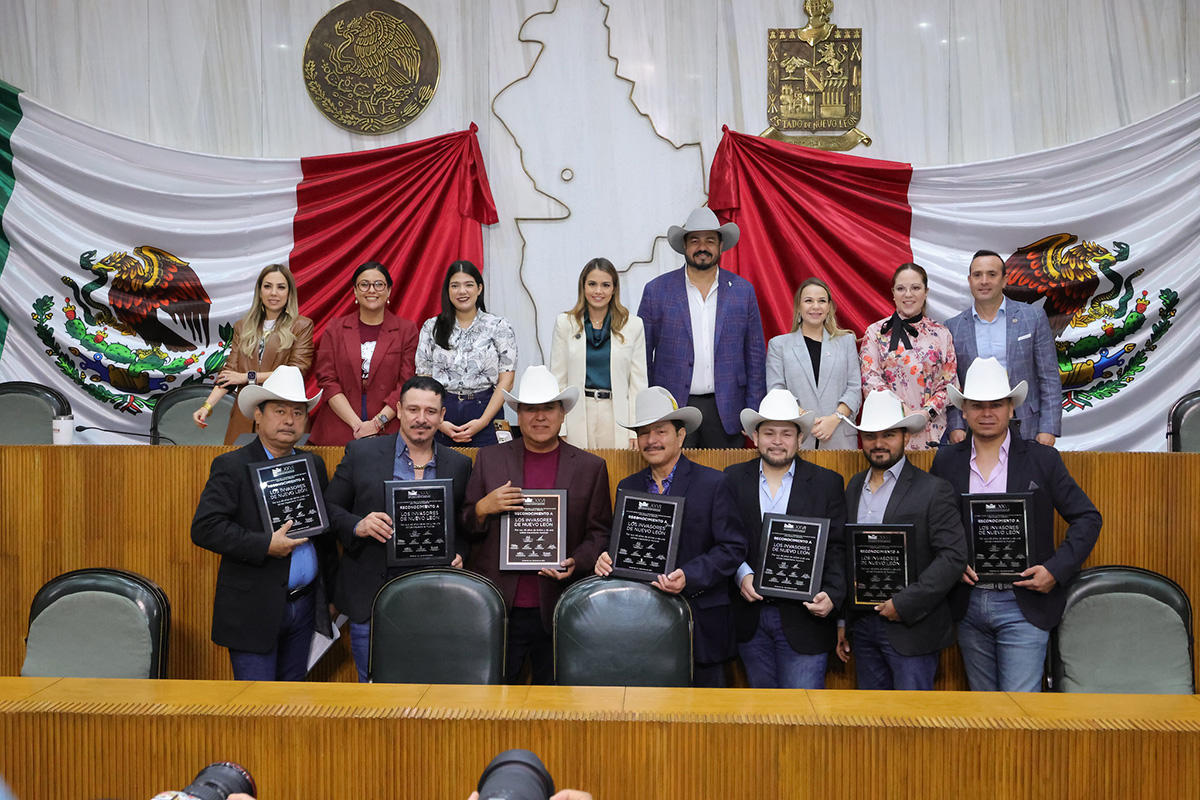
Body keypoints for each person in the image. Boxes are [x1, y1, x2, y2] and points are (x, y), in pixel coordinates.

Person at [931, 357, 1100, 691]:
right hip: (968, 603)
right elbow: (934, 524)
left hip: (1025, 603)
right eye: (978, 406)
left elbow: (1088, 518)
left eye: (997, 404)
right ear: (964, 411)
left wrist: (1054, 570)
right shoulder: (947, 460)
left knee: (1020, 716)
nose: (987, 413)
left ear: (1012, 408)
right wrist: (951, 561)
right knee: (984, 715)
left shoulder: (1042, 459)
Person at [462, 366, 611, 683]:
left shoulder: (591, 467)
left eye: (548, 408)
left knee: (558, 707)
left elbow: (600, 534)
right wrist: (482, 508)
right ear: (518, 414)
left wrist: (578, 561)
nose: (539, 417)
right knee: (497, 706)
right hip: (500, 606)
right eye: (530, 408)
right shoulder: (489, 459)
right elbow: (465, 527)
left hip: (560, 606)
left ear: (562, 414)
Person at [190, 366, 337, 681]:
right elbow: (205, 528)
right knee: (256, 710)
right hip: (253, 610)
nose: (289, 420)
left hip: (306, 605)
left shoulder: (313, 464)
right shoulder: (231, 466)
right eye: (280, 411)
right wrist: (264, 545)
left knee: (294, 703)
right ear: (257, 415)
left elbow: (325, 536)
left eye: (298, 413)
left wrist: (331, 597)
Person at [324, 375, 474, 682]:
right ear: (399, 410)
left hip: (436, 602)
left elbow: (465, 524)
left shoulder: (458, 465)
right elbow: (328, 509)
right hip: (370, 599)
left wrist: (459, 553)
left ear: (442, 416)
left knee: (431, 690)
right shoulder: (361, 453)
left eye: (431, 411)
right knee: (374, 693)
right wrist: (358, 525)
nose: (421, 419)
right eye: (413, 409)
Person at [595, 387, 747, 686]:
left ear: (680, 436)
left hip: (700, 626)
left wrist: (688, 576)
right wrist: (604, 557)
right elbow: (620, 544)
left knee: (705, 725)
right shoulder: (628, 486)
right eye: (644, 433)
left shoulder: (714, 483)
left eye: (660, 431)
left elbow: (732, 548)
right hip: (642, 627)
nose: (651, 440)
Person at [836, 389, 967, 690]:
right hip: (864, 627)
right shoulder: (854, 486)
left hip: (912, 629)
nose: (878, 444)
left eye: (889, 435)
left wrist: (904, 603)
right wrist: (843, 621)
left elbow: (953, 557)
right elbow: (848, 557)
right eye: (870, 436)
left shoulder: (934, 490)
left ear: (906, 437)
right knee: (871, 729)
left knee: (913, 729)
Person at [725, 389, 847, 689]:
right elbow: (725, 539)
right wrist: (742, 575)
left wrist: (832, 594)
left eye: (786, 433)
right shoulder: (731, 479)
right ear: (755, 437)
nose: (777, 441)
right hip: (750, 620)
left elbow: (837, 549)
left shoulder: (827, 484)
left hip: (806, 620)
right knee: (763, 721)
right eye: (768, 433)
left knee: (803, 721)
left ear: (800, 438)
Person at [637, 207, 766, 447]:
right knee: (676, 481)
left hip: (728, 409)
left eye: (709, 240)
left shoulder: (742, 291)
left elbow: (755, 357)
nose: (702, 247)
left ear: (720, 246)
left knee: (724, 481)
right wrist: (647, 409)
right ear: (684, 246)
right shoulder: (657, 291)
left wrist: (753, 413)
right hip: (672, 408)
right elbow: (640, 355)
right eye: (694, 240)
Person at [944, 250, 1063, 445]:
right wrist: (956, 427)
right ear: (969, 280)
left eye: (992, 274)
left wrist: (1048, 428)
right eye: (977, 275)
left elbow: (1049, 377)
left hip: (1026, 426)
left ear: (1005, 280)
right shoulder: (953, 327)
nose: (984, 281)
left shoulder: (1033, 317)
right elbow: (952, 383)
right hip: (973, 429)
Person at [192, 264, 314, 444]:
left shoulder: (302, 325)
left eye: (281, 287)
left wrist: (246, 377)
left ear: (289, 293)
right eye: (267, 286)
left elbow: (295, 372)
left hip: (284, 415)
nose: (274, 293)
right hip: (245, 414)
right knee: (240, 468)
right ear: (259, 291)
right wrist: (206, 406)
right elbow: (229, 374)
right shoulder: (243, 326)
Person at [307, 261, 418, 446]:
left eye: (379, 284)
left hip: (388, 428)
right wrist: (357, 425)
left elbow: (406, 384)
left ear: (389, 290)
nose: (371, 290)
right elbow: (327, 380)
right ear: (355, 291)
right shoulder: (335, 328)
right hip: (339, 426)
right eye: (364, 284)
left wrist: (377, 424)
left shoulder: (407, 330)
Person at [416, 260, 517, 447]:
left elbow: (507, 381)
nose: (462, 291)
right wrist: (437, 421)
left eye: (469, 285)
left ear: (479, 289)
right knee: (444, 473)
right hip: (442, 413)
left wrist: (483, 421)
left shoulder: (498, 326)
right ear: (447, 290)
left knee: (491, 474)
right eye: (455, 286)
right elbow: (423, 379)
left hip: (486, 410)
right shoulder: (431, 327)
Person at [549, 257, 647, 449]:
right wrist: (560, 428)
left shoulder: (633, 325)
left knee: (616, 473)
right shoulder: (565, 323)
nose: (598, 291)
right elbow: (558, 380)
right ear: (583, 287)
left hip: (618, 414)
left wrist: (636, 429)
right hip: (576, 412)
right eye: (592, 284)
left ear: (614, 289)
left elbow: (638, 384)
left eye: (605, 285)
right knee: (579, 475)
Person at [860, 263, 958, 449]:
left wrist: (926, 412)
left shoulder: (942, 333)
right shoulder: (875, 333)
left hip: (934, 433)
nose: (908, 294)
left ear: (926, 292)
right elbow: (869, 380)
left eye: (915, 288)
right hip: (889, 430)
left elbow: (949, 383)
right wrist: (900, 409)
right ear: (893, 293)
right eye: (901, 288)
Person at [766, 277, 861, 450]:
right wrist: (806, 419)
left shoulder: (846, 341)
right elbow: (776, 390)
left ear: (829, 307)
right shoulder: (778, 345)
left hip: (840, 437)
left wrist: (835, 418)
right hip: (798, 438)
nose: (815, 306)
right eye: (809, 301)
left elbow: (855, 388)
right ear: (798, 306)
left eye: (822, 301)